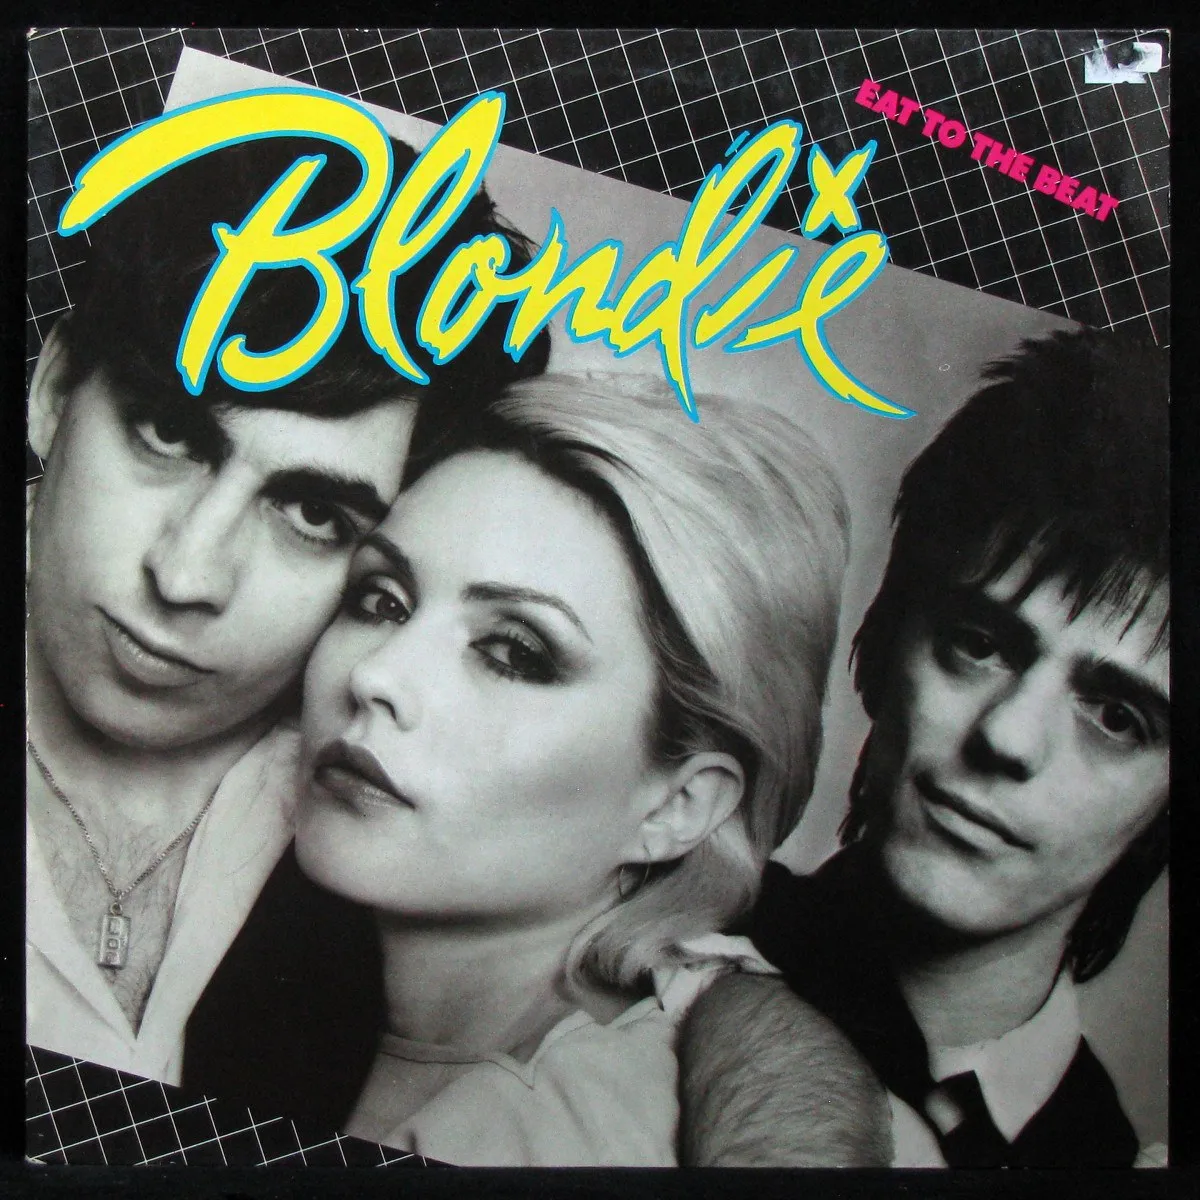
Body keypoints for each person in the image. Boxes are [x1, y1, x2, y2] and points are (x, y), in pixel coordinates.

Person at [25, 126, 550, 1086]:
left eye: (312, 514)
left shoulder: (383, 798)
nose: (187, 575)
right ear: (53, 392)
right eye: (167, 433)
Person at [284, 371, 865, 1165]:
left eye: (513, 652)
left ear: (679, 804)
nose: (376, 675)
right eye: (383, 600)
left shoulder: (574, 1129)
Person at [679, 328, 1169, 1167]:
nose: (1007, 737)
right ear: (885, 639)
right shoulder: (634, 933)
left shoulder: (1117, 1164)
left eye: (1118, 717)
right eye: (980, 643)